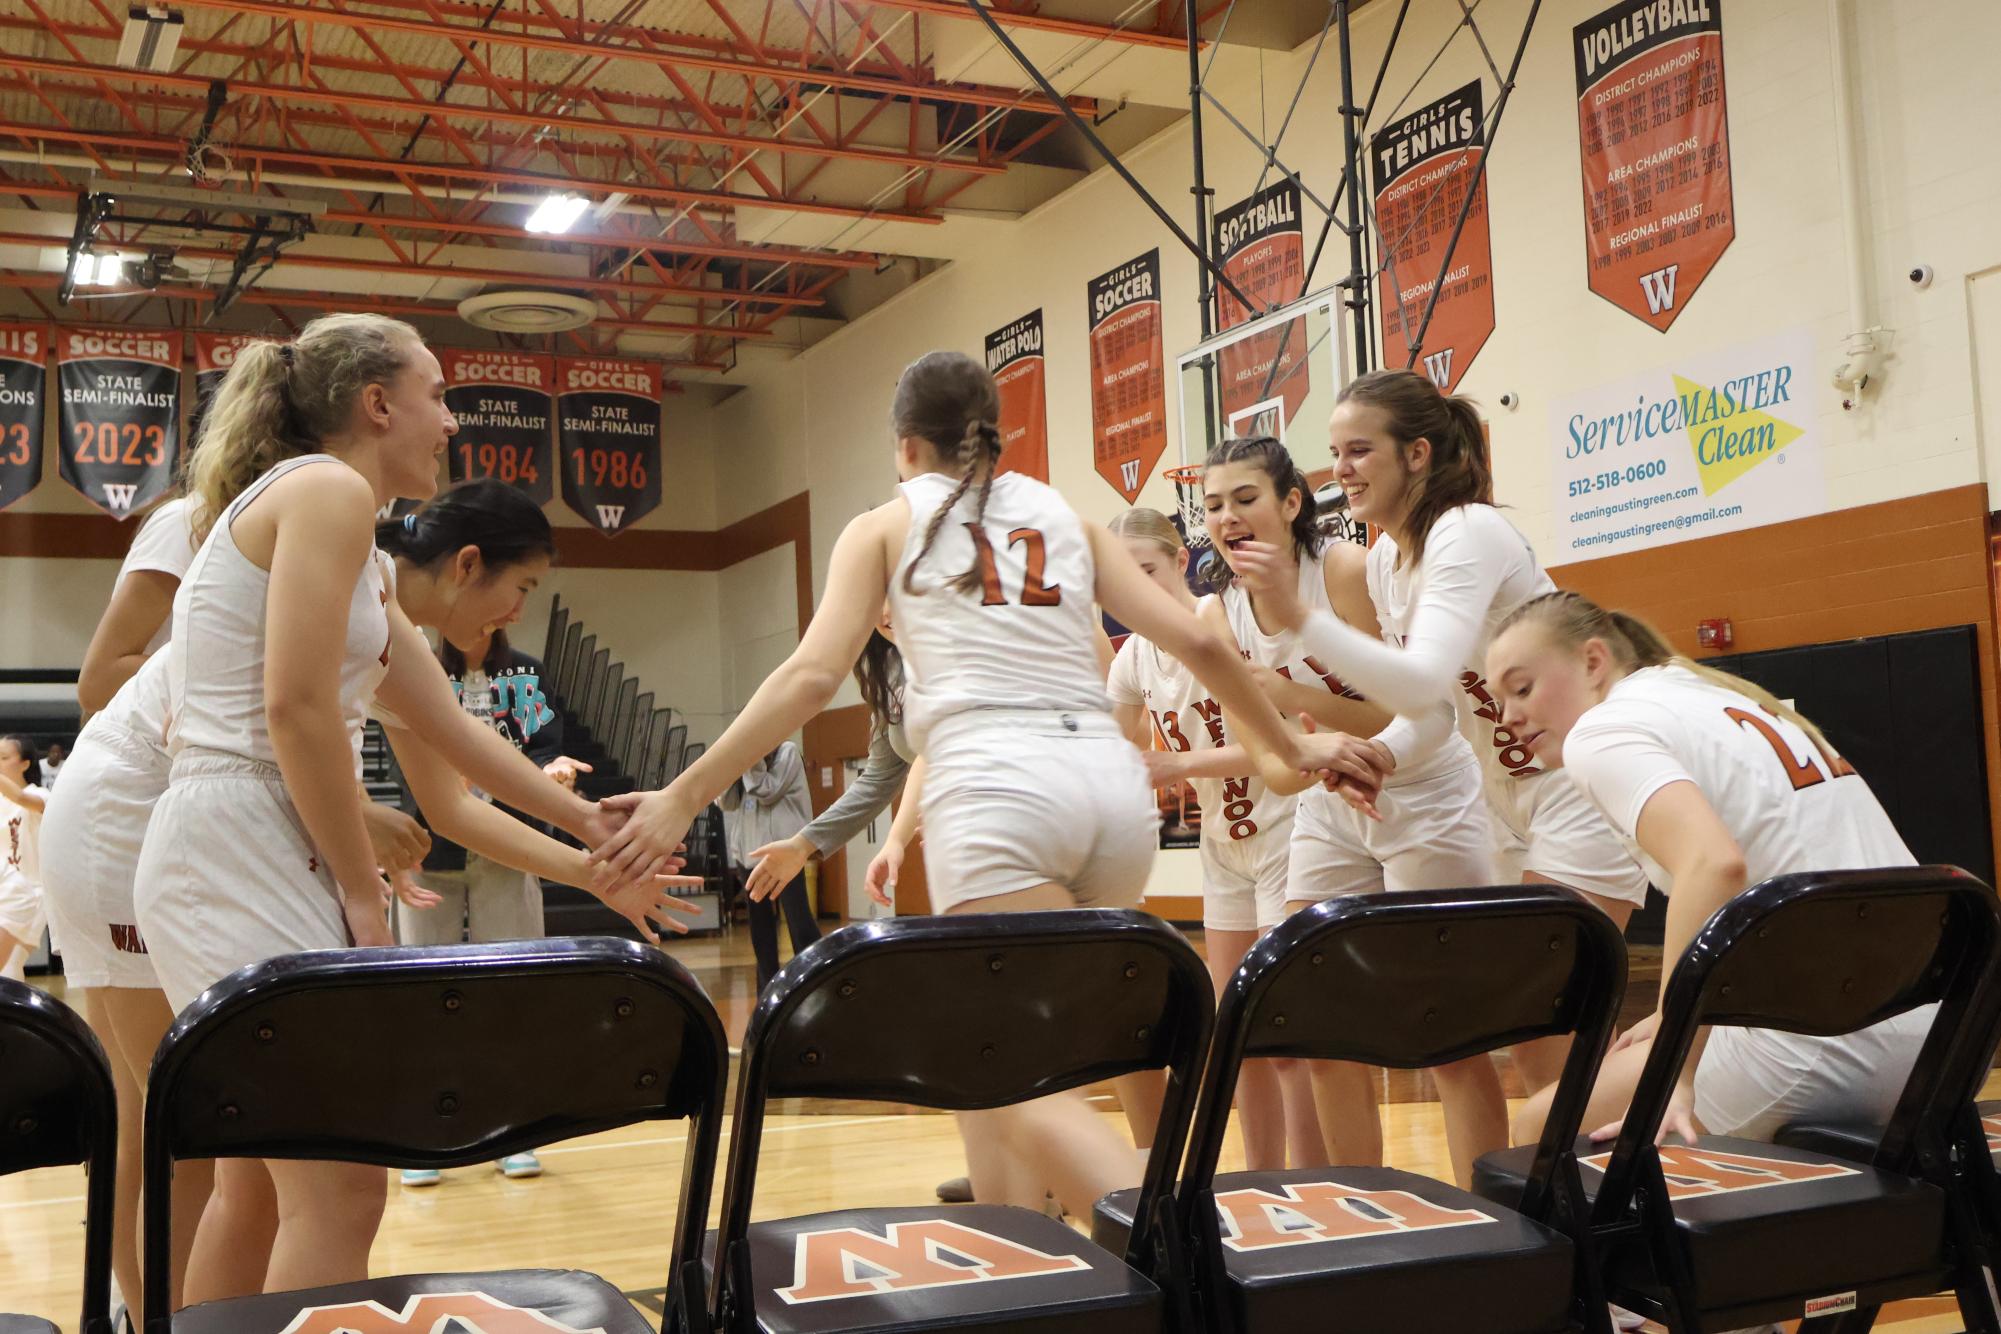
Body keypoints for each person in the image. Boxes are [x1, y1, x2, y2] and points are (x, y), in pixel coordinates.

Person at [588, 350, 1360, 1217]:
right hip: (1112, 795)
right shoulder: (1064, 512)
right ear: (994, 436)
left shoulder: (884, 524)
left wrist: (683, 795)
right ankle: (1018, 1253)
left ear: (904, 446)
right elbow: (1203, 644)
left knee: (1003, 1072)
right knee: (994, 1053)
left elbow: (810, 677)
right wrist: (1283, 753)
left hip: (1000, 789)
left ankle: (1175, 1237)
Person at [127, 315, 649, 1305]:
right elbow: (294, 706)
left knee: (257, 1185)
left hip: (242, 837)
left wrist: (592, 829)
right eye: (439, 393)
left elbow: (453, 738)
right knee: (339, 1186)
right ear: (377, 404)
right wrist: (366, 894)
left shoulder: (359, 544)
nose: (451, 421)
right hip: (231, 835)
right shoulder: (323, 489)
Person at [1232, 370, 1649, 1100]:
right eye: (1334, 452)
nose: (1342, 469)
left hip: (1581, 784)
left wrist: (1301, 620)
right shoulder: (1391, 557)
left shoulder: (1466, 531)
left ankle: (1647, 1150)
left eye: (1360, 450)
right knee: (1526, 1042)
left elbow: (1420, 681)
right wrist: (1377, 755)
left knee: (1543, 1031)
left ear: (1417, 454)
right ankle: (1603, 1172)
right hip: (1508, 801)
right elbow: (1433, 709)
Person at [1488, 592, 1933, 1145]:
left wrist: (1679, 1065)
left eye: (1522, 688)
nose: (1507, 717)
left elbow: (1715, 864)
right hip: (1935, 1028)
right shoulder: (1715, 696)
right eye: (1499, 699)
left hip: (1827, 1036)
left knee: (1539, 1129)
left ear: (1593, 661)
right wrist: (1688, 1009)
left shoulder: (1601, 731)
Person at [1193, 439, 1507, 1186]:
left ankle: (1495, 1215)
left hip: (1424, 788)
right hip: (1332, 807)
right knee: (1315, 1014)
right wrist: (1316, 756)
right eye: (1212, 505)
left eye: (1245, 498)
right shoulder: (1217, 615)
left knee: (1449, 1033)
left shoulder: (1344, 571)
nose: (1227, 517)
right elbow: (1272, 765)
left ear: (1291, 504)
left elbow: (1427, 710)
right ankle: (1362, 1204)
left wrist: (1303, 706)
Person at [722, 740, 823, 990]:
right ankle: (767, 991)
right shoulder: (748, 763)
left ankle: (815, 982)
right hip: (748, 855)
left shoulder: (786, 751)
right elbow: (727, 802)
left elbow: (767, 791)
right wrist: (730, 765)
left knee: (798, 921)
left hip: (783, 855)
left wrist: (750, 757)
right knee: (760, 928)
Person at [0, 736, 48, 981]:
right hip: (4, 890)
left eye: (4, 757)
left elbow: (21, 799)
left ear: (25, 764)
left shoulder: (40, 794)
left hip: (30, 893)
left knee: (9, 967)